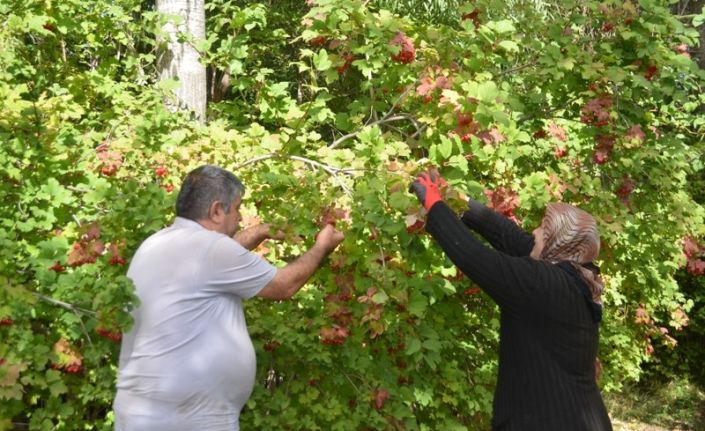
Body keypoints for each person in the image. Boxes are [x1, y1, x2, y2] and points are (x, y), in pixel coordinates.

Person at [113, 165, 344, 431]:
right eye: (237, 208)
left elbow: (210, 263)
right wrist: (321, 247)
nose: (239, 217)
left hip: (148, 413)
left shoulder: (159, 243)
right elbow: (284, 285)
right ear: (216, 210)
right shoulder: (209, 248)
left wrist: (259, 232)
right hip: (187, 419)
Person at [410, 170, 612, 431]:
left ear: (557, 242)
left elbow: (475, 257)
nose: (536, 231)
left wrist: (434, 205)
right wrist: (458, 200)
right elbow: (513, 238)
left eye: (543, 229)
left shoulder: (544, 285)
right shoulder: (576, 275)